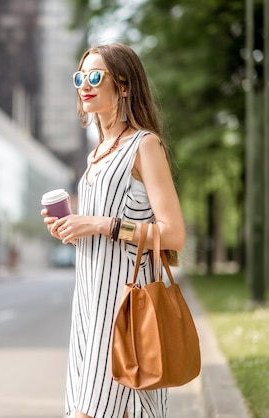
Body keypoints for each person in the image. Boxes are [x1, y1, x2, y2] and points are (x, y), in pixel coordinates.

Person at [42, 43, 185, 418]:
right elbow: (100, 228)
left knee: (93, 412)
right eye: (80, 77)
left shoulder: (144, 145)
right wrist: (71, 227)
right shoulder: (95, 155)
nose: (84, 85)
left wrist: (103, 224)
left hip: (124, 305)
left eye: (95, 76)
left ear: (123, 86)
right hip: (89, 302)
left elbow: (173, 234)